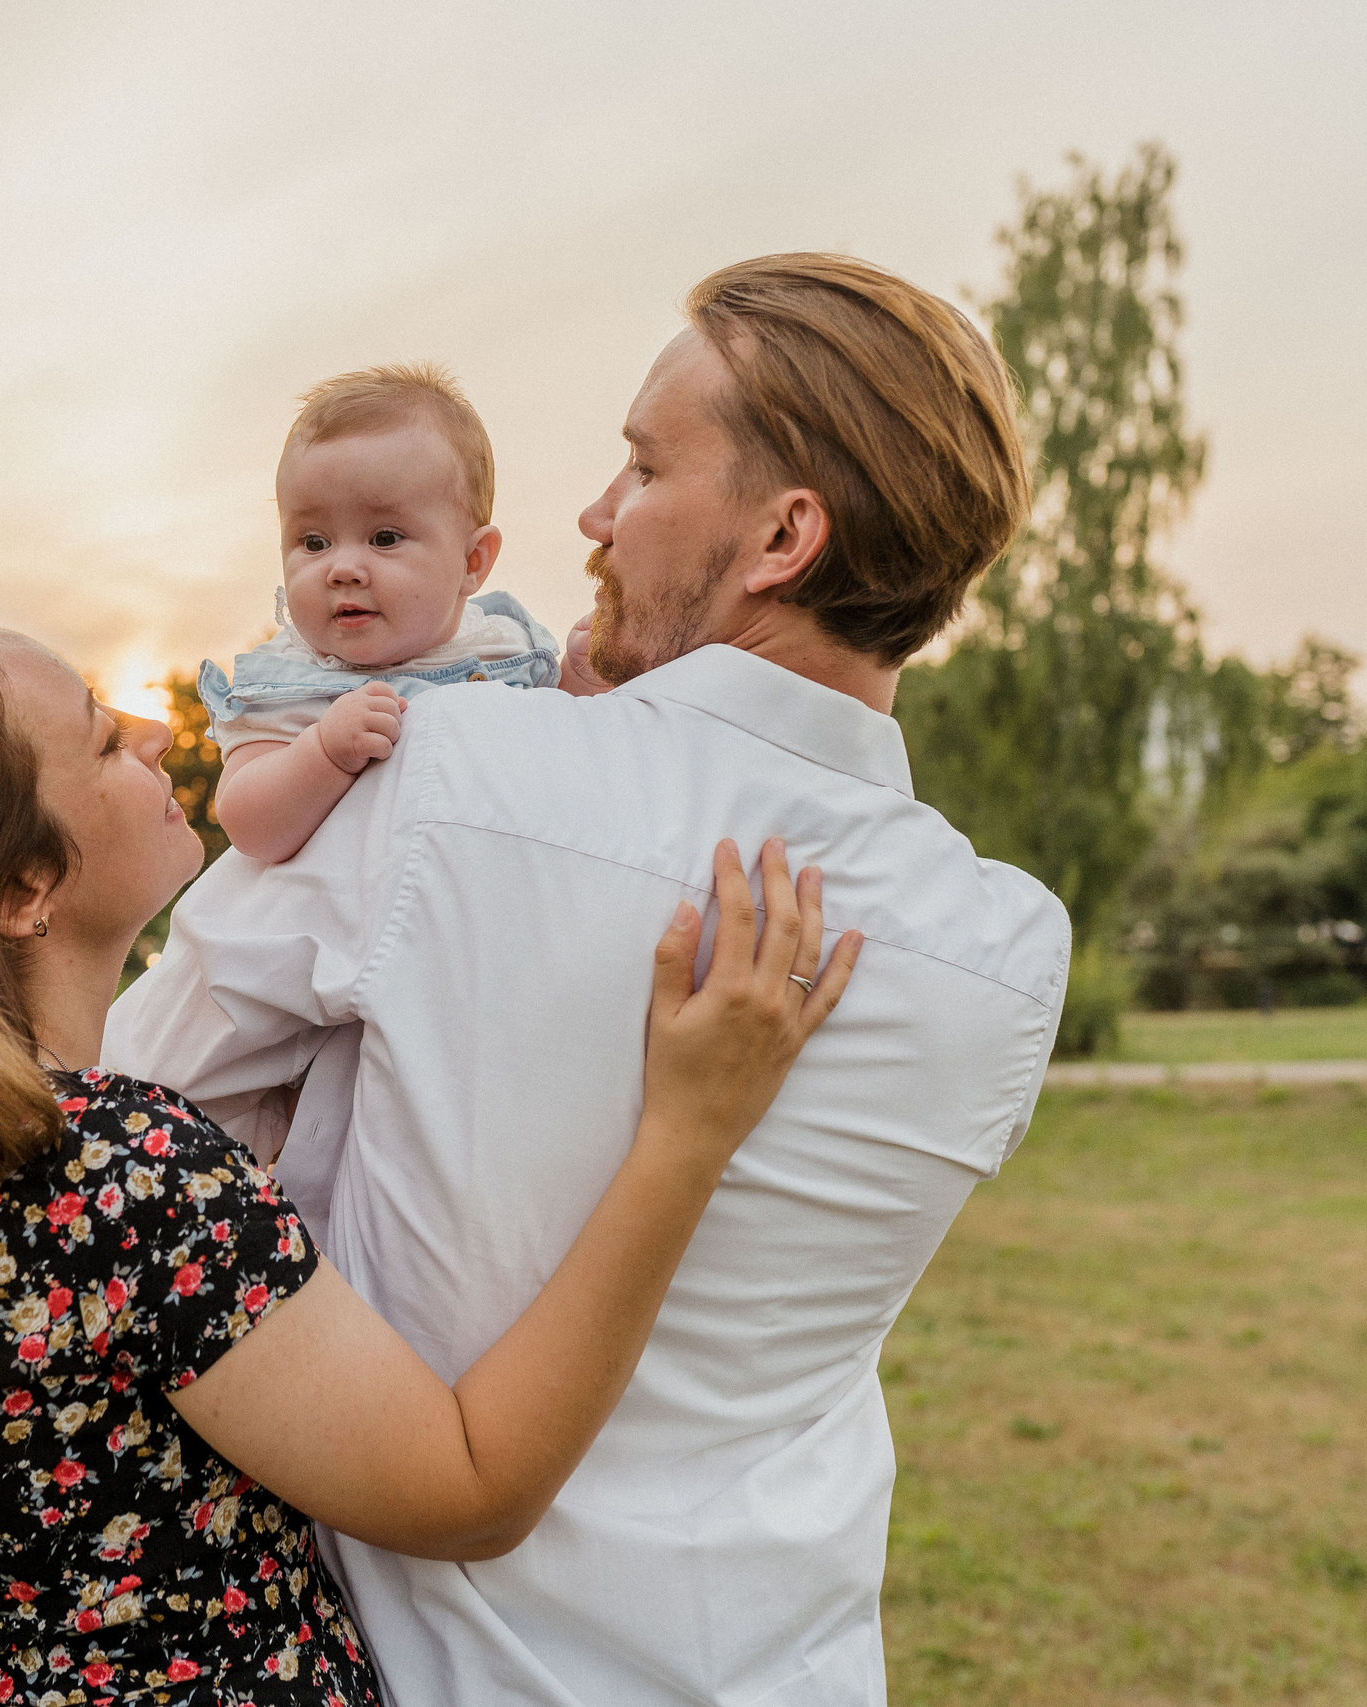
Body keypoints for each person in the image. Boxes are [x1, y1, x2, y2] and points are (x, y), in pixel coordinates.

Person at [106, 253, 1073, 1706]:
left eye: (640, 465)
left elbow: (122, 1106)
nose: (594, 517)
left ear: (781, 536)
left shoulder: (446, 777)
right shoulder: (1007, 949)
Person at [0, 593, 861, 1704]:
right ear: (27, 884)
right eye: (93, 732)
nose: (141, 723)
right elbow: (474, 1486)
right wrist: (688, 1129)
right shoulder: (111, 1179)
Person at [200, 364, 596, 865]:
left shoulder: (506, 648)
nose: (342, 569)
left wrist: (580, 685)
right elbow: (250, 828)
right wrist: (322, 752)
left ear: (472, 563)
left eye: (384, 538)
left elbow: (563, 760)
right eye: (314, 542)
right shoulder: (288, 684)